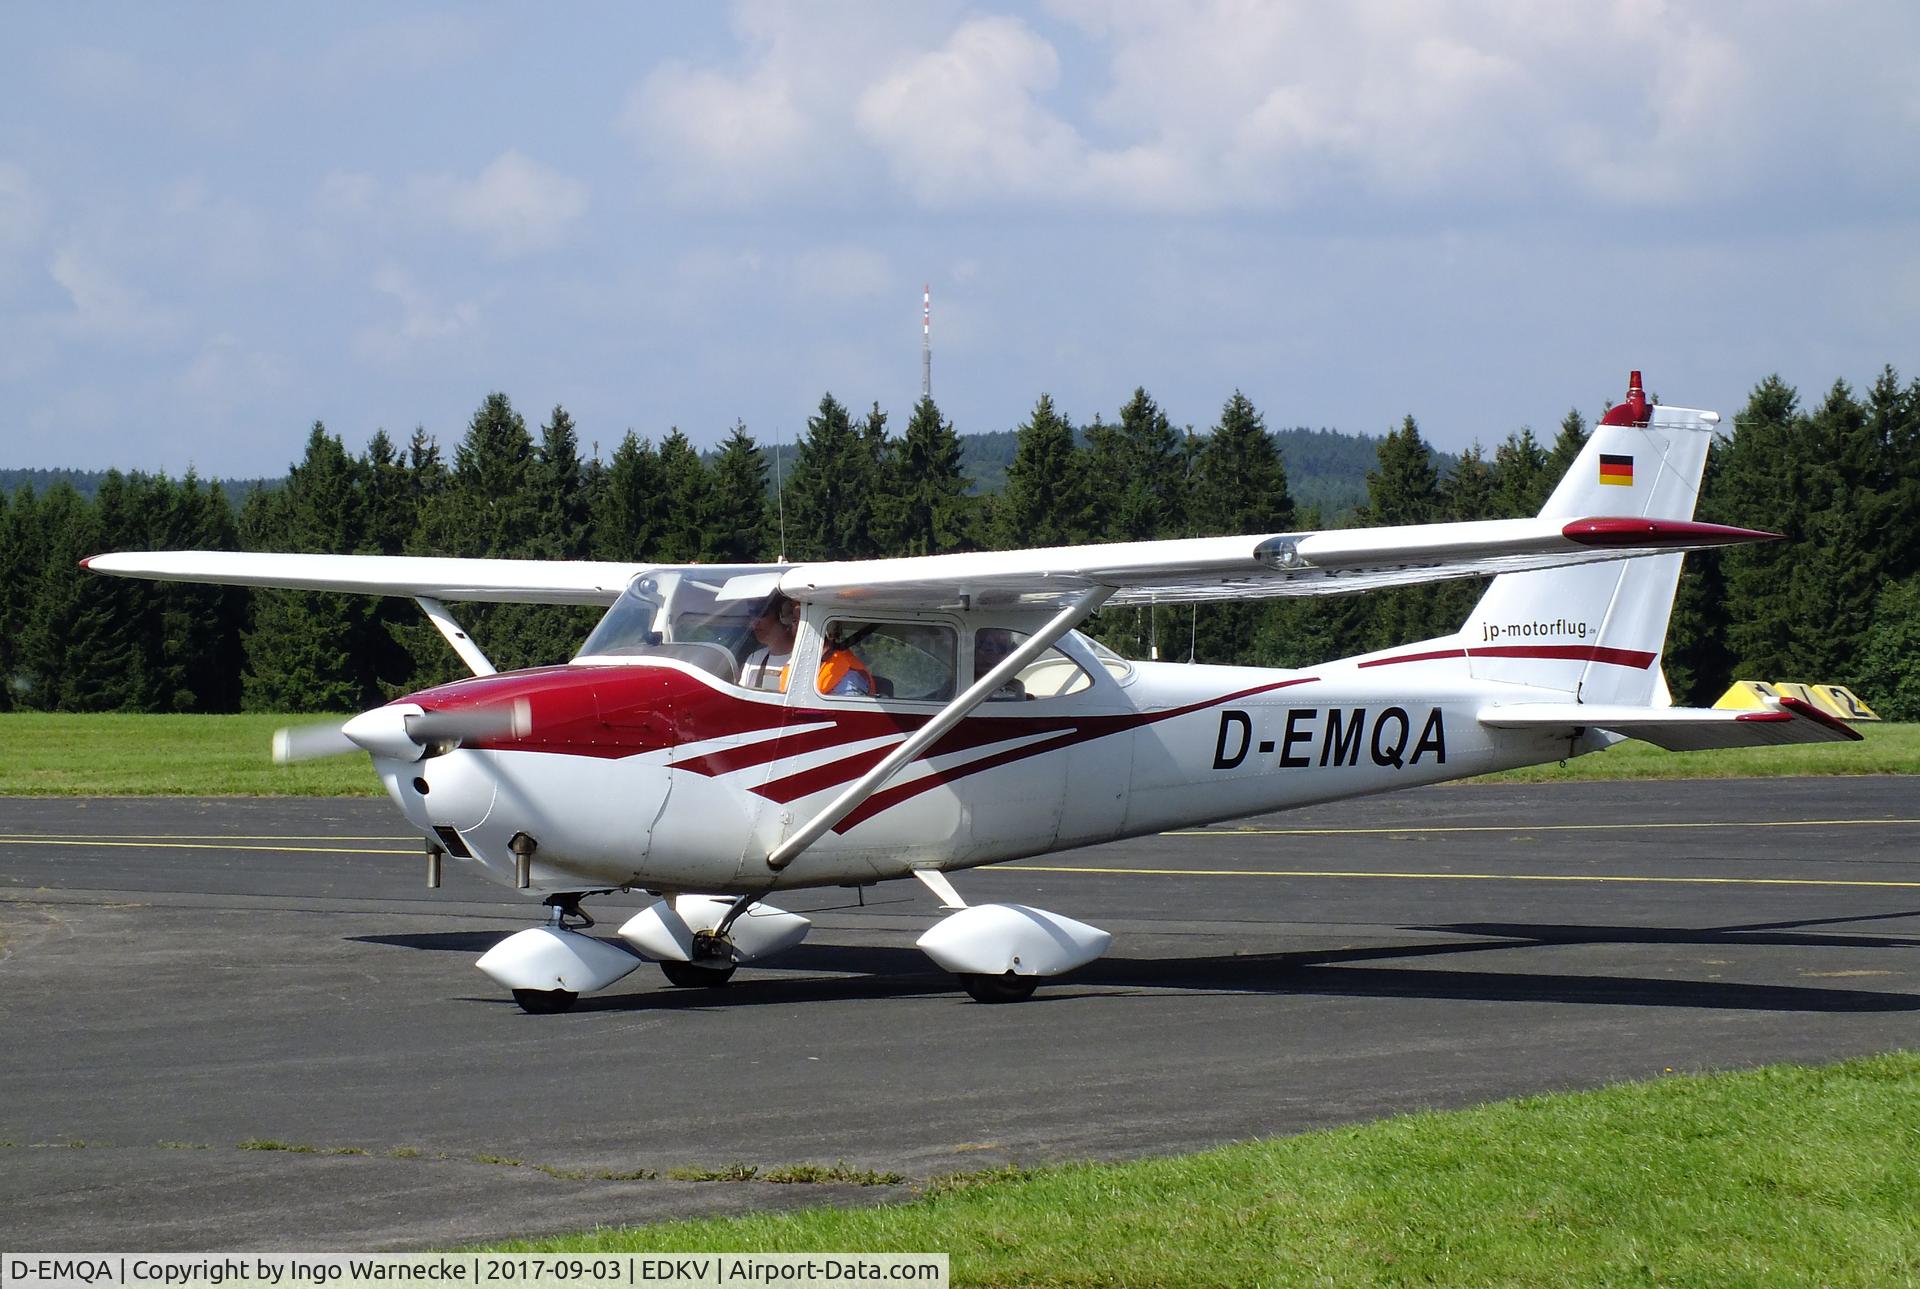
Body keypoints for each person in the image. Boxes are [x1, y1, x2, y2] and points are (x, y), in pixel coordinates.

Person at [740, 596, 874, 696]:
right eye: (794, 621)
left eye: (801, 621)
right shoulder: (795, 664)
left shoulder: (846, 672)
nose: (795, 627)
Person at [975, 628, 1027, 701]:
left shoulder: (1014, 687)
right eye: (980, 644)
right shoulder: (961, 687)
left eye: (1001, 646)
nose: (991, 655)